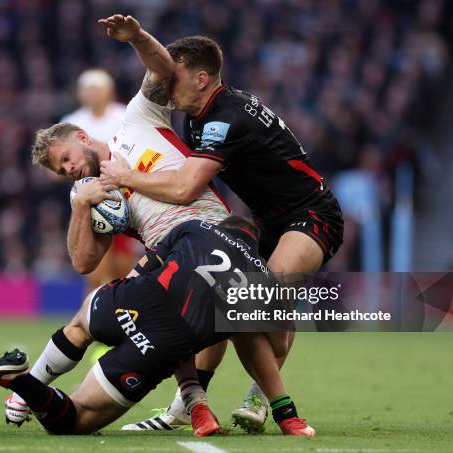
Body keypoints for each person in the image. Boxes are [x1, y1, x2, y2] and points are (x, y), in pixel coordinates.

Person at [99, 15, 343, 434]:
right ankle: (187, 405)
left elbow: (184, 188)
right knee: (223, 306)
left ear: (201, 78)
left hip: (312, 214)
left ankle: (260, 397)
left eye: (175, 79)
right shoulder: (198, 116)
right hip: (267, 222)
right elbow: (159, 67)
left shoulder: (225, 118)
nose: (166, 88)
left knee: (259, 307)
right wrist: (138, 38)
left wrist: (124, 177)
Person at [0, 217, 283, 437]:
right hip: (159, 344)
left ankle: (31, 374)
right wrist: (285, 409)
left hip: (128, 298)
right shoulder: (259, 279)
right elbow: (272, 345)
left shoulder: (195, 226)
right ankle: (18, 381)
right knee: (75, 420)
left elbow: (143, 267)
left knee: (78, 327)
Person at [61, 69, 134, 293]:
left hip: (123, 197)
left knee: (123, 267)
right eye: (86, 89)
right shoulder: (71, 123)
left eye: (95, 89)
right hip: (88, 202)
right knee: (94, 270)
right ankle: (92, 319)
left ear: (108, 91)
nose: (91, 94)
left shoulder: (124, 116)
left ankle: (118, 314)